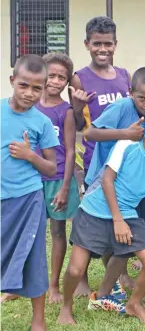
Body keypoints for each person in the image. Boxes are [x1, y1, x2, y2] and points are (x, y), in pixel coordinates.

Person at [57, 106, 145, 326]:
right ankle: (66, 306)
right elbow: (107, 181)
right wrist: (118, 220)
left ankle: (134, 304)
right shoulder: (126, 147)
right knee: (75, 269)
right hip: (94, 211)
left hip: (128, 214)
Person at [84, 67, 145, 307]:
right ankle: (108, 282)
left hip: (138, 188)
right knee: (102, 239)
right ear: (131, 93)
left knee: (131, 239)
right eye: (143, 98)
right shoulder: (121, 107)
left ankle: (138, 288)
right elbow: (90, 132)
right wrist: (125, 134)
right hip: (104, 182)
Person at [68, 16, 131, 295]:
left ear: (115, 45)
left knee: (119, 216)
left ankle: (118, 272)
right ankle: (80, 278)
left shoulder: (124, 76)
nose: (102, 49)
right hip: (95, 160)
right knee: (90, 218)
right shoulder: (79, 76)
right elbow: (81, 126)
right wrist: (76, 105)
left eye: (107, 43)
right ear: (87, 44)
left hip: (123, 161)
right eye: (97, 44)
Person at [1, 54, 59, 331]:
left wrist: (29, 155)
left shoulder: (42, 123)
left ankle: (38, 320)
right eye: (24, 85)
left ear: (45, 87)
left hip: (28, 199)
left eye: (37, 88)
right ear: (13, 81)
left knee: (34, 256)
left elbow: (51, 168)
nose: (29, 93)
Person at [35, 53, 80, 304]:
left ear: (67, 82)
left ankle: (53, 285)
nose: (55, 81)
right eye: (51, 75)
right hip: (32, 180)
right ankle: (22, 283)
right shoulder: (31, 107)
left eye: (61, 77)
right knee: (31, 232)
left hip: (59, 179)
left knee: (58, 231)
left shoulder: (67, 111)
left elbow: (71, 150)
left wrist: (65, 188)